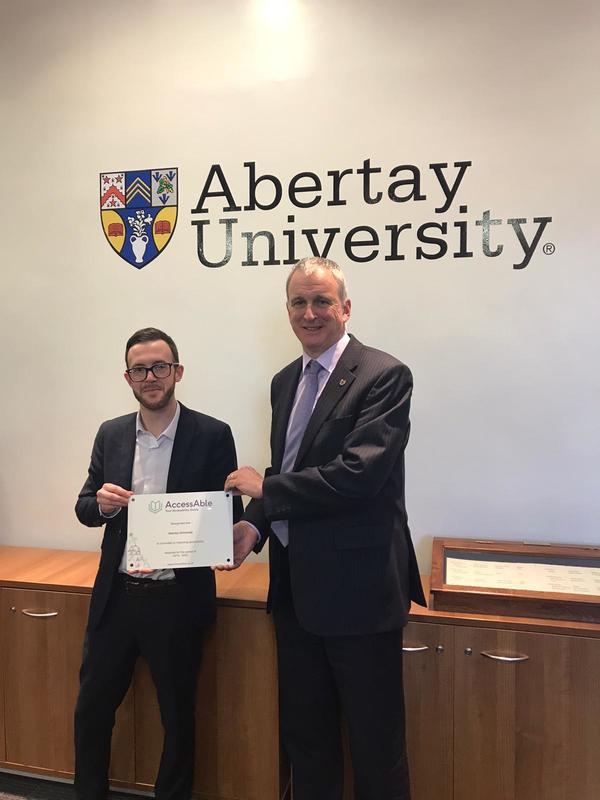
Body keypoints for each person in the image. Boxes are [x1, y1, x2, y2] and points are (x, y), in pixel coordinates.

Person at [223, 257, 426, 800]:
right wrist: (254, 527)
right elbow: (286, 470)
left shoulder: (384, 375)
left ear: (345, 308)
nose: (309, 313)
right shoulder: (284, 381)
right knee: (307, 743)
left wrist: (267, 492)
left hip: (359, 596)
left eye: (321, 302)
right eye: (298, 302)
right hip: (294, 595)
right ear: (287, 310)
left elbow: (359, 475)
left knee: (376, 750)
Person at [74, 327, 241, 800]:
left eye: (160, 367)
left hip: (177, 601)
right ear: (128, 377)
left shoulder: (212, 434)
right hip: (117, 598)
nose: (151, 376)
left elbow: (230, 515)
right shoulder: (110, 433)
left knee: (178, 718)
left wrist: (222, 541)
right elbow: (85, 506)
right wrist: (102, 505)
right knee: (91, 712)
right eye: (141, 369)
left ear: (177, 372)